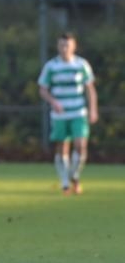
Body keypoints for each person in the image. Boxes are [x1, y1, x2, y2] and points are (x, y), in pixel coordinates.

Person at [38, 32, 98, 195]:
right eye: (61, 45)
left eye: (67, 45)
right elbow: (43, 89)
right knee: (62, 147)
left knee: (80, 146)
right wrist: (53, 102)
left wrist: (93, 109)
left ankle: (74, 176)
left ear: (74, 46)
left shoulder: (81, 65)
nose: (64, 48)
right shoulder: (51, 66)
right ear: (58, 47)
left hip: (78, 111)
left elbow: (90, 89)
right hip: (60, 113)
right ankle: (65, 182)